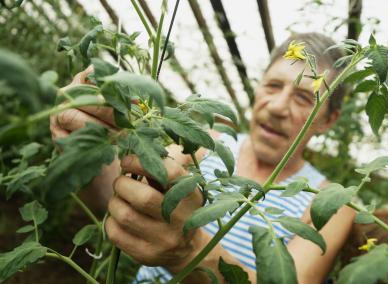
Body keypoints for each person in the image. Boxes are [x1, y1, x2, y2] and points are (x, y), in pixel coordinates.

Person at [50, 32, 355, 283]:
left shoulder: (329, 203)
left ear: (328, 119)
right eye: (273, 85)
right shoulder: (207, 144)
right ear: (258, 86)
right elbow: (127, 203)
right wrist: (89, 154)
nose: (277, 106)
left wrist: (189, 252)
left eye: (304, 97)